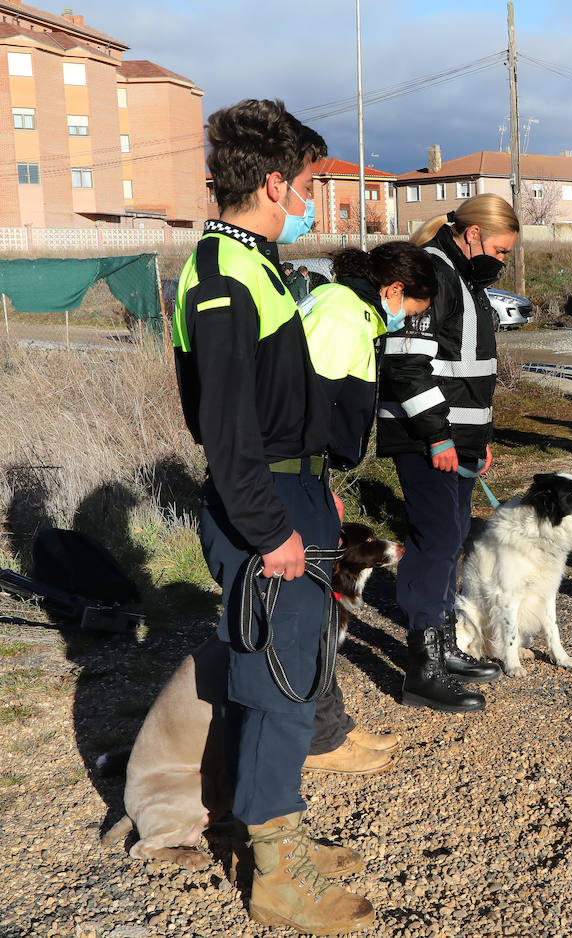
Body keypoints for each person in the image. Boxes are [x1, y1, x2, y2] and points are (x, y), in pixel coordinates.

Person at [172, 98, 373, 934]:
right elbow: (226, 432)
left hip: (292, 494)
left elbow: (278, 405)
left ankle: (278, 826)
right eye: (309, 185)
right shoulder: (221, 277)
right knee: (279, 687)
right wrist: (271, 528)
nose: (312, 202)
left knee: (289, 677)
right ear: (274, 183)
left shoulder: (257, 263)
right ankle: (275, 876)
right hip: (265, 510)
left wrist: (311, 493)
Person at [295, 242, 437, 776]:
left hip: (306, 473)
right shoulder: (342, 317)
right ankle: (321, 741)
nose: (403, 323)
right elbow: (303, 409)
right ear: (394, 290)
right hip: (290, 474)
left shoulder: (345, 309)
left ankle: (333, 727)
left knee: (321, 616)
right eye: (410, 311)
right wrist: (307, 477)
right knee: (308, 617)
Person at [378, 196, 511, 712]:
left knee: (450, 537)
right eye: (499, 249)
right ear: (473, 233)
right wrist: (438, 437)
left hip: (458, 440)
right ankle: (423, 669)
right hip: (425, 438)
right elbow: (408, 367)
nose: (501, 260)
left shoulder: (464, 278)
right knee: (436, 541)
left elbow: (468, 373)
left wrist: (479, 438)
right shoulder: (432, 274)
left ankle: (443, 645)